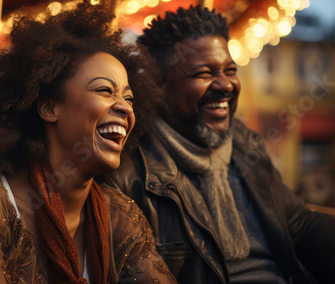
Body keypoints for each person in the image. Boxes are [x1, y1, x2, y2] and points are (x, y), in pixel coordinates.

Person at [0, 3, 177, 283]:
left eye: (128, 98)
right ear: (48, 108)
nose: (125, 109)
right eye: (105, 90)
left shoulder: (118, 212)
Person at [101, 5, 335, 284]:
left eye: (230, 70)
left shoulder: (244, 143)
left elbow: (297, 224)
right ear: (158, 85)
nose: (225, 85)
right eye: (204, 73)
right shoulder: (126, 167)